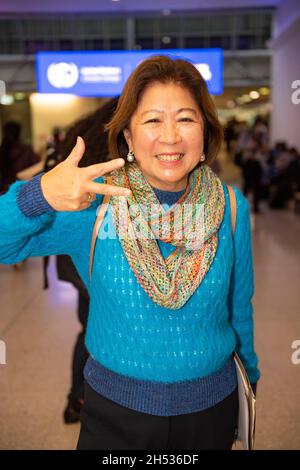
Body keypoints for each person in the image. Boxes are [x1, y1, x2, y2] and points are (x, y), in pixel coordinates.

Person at [0, 56, 260, 450]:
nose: (171, 136)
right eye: (153, 120)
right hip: (115, 418)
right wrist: (38, 196)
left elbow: (240, 310)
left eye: (186, 119)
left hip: (211, 412)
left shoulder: (231, 208)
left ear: (206, 132)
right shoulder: (93, 205)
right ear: (128, 136)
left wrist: (249, 386)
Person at [44, 99, 119, 423]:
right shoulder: (115, 151)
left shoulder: (79, 136)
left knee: (88, 329)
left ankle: (76, 399)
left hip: (77, 257)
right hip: (98, 255)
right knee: (101, 332)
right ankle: (97, 401)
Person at [0, 121, 39, 195]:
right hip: (22, 191)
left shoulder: (2, 150)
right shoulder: (26, 150)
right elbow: (37, 170)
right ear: (19, 133)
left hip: (3, 193)